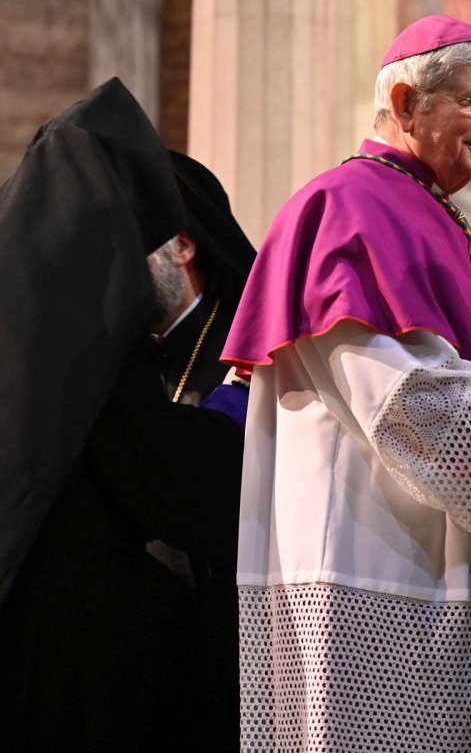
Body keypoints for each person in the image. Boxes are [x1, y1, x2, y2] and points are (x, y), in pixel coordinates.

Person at [222, 15, 471, 751]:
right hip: (388, 579)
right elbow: (410, 405)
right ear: (405, 98)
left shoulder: (433, 213)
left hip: (459, 579)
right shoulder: (347, 209)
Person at [0, 78, 254, 751]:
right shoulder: (87, 343)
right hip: (84, 646)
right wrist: (237, 417)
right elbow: (165, 470)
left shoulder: (42, 325)